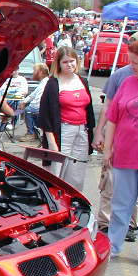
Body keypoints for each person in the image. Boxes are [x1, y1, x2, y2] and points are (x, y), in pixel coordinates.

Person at [103, 38, 138, 273]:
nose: (131, 66)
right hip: (125, 155)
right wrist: (107, 148)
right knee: (120, 206)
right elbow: (113, 118)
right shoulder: (127, 82)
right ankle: (113, 246)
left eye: (135, 63)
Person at [92, 31, 138, 240]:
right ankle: (106, 224)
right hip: (120, 140)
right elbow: (108, 108)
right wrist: (99, 132)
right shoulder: (121, 76)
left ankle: (130, 225)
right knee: (111, 184)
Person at [39, 46, 95, 191]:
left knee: (77, 169)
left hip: (82, 130)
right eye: (65, 62)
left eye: (72, 61)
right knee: (57, 169)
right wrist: (52, 142)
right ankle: (55, 199)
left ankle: (73, 199)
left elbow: (89, 111)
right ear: (58, 63)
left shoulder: (82, 81)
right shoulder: (53, 83)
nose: (69, 64)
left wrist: (93, 135)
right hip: (62, 131)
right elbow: (45, 114)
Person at [18, 63, 49, 143]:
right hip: (41, 107)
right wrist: (24, 102)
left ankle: (31, 133)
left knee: (28, 110)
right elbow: (33, 94)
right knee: (26, 108)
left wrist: (25, 105)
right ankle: (35, 131)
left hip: (41, 109)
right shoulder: (43, 82)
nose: (33, 73)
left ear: (40, 72)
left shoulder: (45, 83)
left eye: (35, 71)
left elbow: (37, 101)